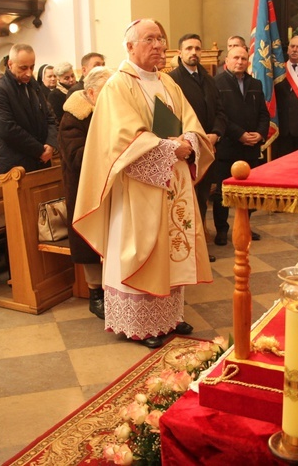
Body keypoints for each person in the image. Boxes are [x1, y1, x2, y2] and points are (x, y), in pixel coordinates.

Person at [73, 19, 214, 349]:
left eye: (161, 40)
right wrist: (168, 147)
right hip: (138, 186)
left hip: (172, 180)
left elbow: (190, 121)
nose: (158, 46)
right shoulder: (117, 86)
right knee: (142, 250)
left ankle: (169, 317)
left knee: (172, 249)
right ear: (130, 46)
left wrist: (191, 141)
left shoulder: (168, 83)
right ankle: (140, 324)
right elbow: (121, 139)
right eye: (150, 39)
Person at [58, 66, 113, 319]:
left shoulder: (110, 112)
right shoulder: (74, 117)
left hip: (110, 187)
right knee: (90, 241)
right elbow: (76, 158)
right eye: (106, 91)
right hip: (84, 191)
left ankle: (115, 292)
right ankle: (95, 295)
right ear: (90, 92)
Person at [169, 33, 226, 262]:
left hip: (207, 149)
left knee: (202, 199)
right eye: (189, 48)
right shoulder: (172, 80)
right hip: (186, 150)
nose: (194, 52)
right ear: (180, 52)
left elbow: (220, 111)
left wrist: (215, 134)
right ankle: (186, 248)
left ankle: (200, 247)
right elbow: (173, 115)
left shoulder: (209, 79)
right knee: (185, 200)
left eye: (197, 48)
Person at [214, 46, 270, 244]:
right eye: (236, 58)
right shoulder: (217, 83)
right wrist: (239, 135)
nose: (240, 61)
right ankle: (222, 230)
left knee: (248, 191)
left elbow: (264, 113)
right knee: (223, 191)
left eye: (244, 58)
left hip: (251, 147)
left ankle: (245, 226)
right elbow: (220, 115)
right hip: (228, 146)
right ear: (226, 60)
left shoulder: (255, 83)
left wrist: (260, 134)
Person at [0, 43, 58, 176]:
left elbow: (50, 117)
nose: (29, 73)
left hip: (42, 160)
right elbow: (7, 129)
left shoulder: (33, 85)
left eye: (32, 67)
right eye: (23, 68)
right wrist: (39, 150)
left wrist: (50, 143)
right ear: (10, 64)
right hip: (16, 165)